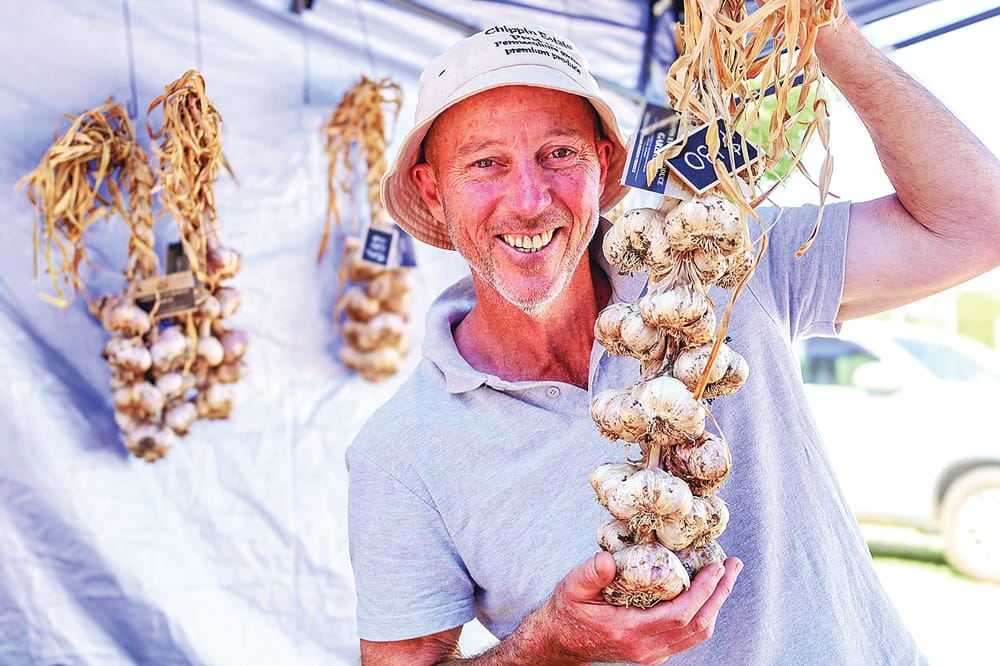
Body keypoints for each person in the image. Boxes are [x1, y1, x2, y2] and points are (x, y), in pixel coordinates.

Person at [346, 14, 1000, 666]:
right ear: (433, 191)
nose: (529, 198)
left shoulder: (721, 260)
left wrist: (819, 22)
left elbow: (977, 223)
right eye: (486, 163)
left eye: (560, 153)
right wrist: (548, 645)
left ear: (603, 165)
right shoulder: (400, 451)